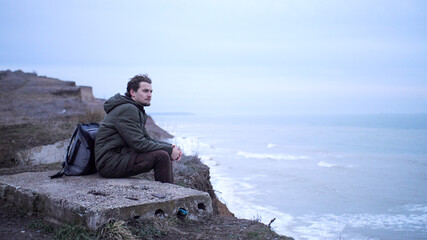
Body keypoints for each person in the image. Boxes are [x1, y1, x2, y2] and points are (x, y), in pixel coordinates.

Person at [94, 74, 182, 183]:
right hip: (109, 163)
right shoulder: (128, 109)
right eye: (145, 91)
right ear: (132, 92)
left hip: (119, 157)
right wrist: (168, 150)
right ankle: (169, 195)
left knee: (164, 153)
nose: (149, 95)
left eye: (151, 91)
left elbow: (146, 139)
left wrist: (170, 148)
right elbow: (139, 144)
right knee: (162, 156)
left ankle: (169, 192)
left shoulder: (135, 109)